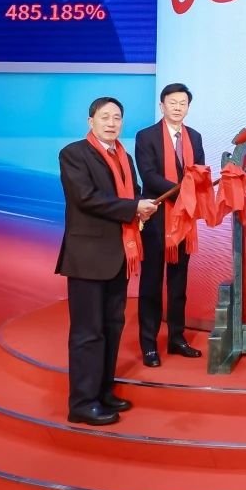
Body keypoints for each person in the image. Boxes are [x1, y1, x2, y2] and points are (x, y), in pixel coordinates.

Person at [56, 97, 157, 426]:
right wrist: (132, 208)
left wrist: (143, 206)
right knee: (88, 332)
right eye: (105, 117)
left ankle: (102, 392)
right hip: (87, 258)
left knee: (112, 327)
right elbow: (85, 198)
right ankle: (82, 403)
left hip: (119, 255)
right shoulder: (74, 154)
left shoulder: (124, 156)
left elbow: (133, 193)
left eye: (117, 118)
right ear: (91, 121)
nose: (111, 123)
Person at [134, 82, 205, 366]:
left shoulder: (195, 137)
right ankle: (149, 345)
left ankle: (177, 338)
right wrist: (183, 192)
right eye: (172, 102)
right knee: (151, 283)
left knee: (178, 284)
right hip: (156, 218)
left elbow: (199, 172)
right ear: (162, 105)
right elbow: (149, 176)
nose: (178, 107)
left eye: (183, 103)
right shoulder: (146, 136)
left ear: (188, 107)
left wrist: (194, 189)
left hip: (184, 219)